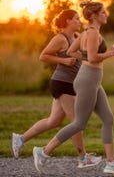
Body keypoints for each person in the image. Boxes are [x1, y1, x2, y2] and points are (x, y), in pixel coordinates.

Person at [32, 0, 114, 175]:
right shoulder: (91, 33)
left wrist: (84, 56)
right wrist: (110, 53)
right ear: (94, 15)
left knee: (108, 118)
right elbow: (92, 58)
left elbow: (71, 52)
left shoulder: (85, 33)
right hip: (88, 80)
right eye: (103, 12)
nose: (106, 15)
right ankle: (44, 151)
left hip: (91, 80)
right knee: (79, 123)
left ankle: (111, 163)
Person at [11, 9, 101, 168]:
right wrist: (64, 61)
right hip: (62, 82)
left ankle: (20, 139)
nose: (79, 21)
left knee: (54, 121)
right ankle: (82, 158)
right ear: (67, 21)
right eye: (75, 19)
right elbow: (43, 56)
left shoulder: (77, 37)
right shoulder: (61, 38)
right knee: (76, 121)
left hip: (70, 83)